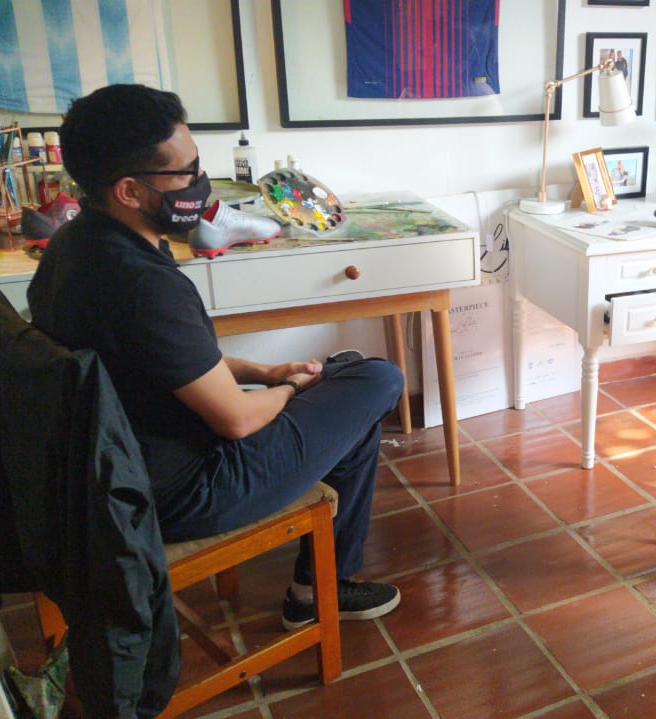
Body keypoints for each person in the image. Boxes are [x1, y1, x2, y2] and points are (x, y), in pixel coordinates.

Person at [27, 84, 405, 630]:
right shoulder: (140, 282)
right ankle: (316, 592)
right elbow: (237, 418)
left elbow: (177, 360)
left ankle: (318, 588)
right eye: (184, 174)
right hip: (184, 490)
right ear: (129, 190)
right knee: (378, 379)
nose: (199, 186)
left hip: (120, 471)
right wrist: (294, 389)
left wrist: (268, 372)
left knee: (350, 405)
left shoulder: (76, 245)